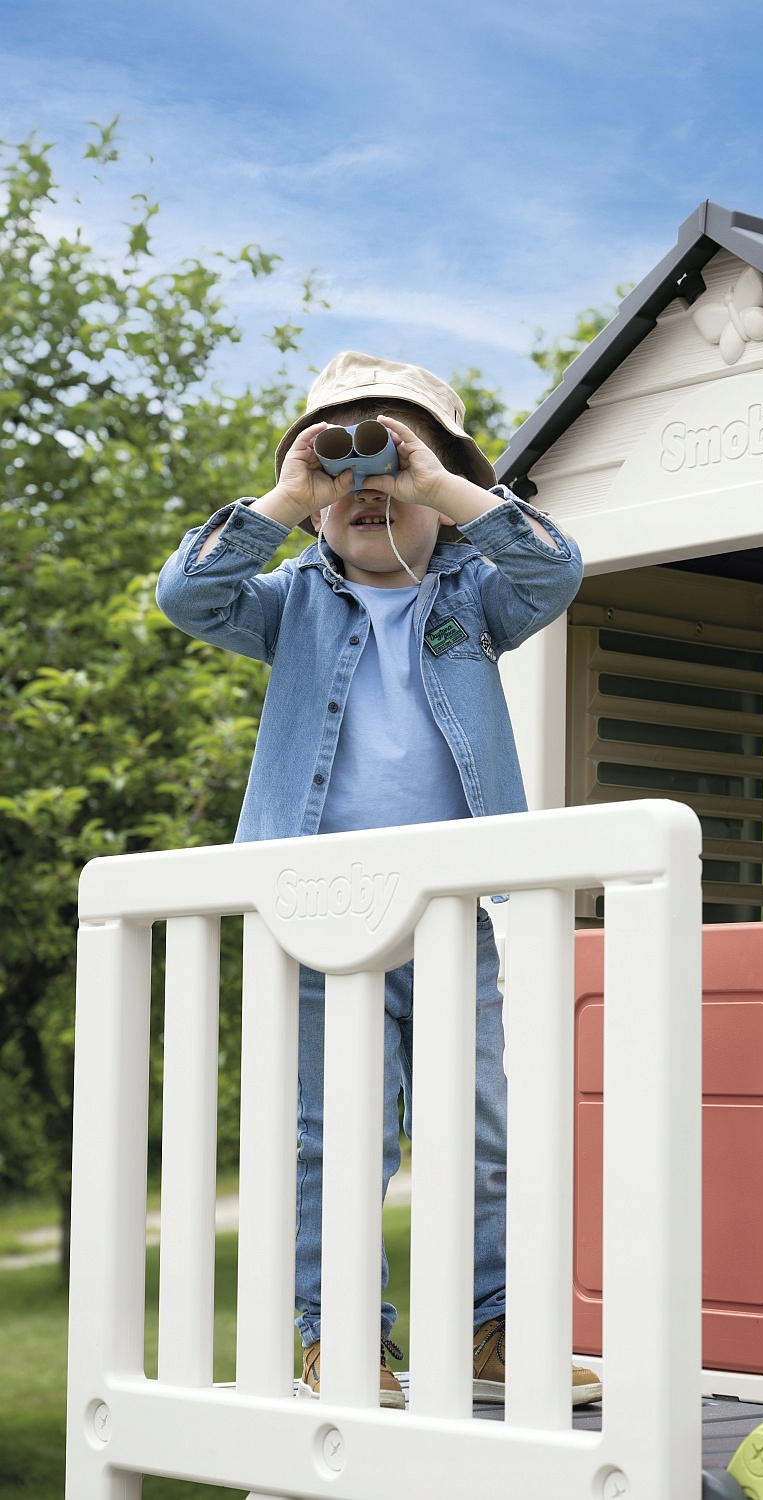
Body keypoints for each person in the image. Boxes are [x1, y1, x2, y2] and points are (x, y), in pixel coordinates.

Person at [156, 351, 600, 1410]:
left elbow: (555, 569)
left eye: (392, 465)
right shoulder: (288, 605)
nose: (368, 489)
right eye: (341, 468)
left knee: (480, 1128)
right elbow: (187, 594)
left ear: (445, 497)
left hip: (453, 910)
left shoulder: (476, 597)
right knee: (332, 1135)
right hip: (321, 911)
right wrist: (288, 496)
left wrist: (432, 480)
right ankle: (342, 1337)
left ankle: (492, 1326)